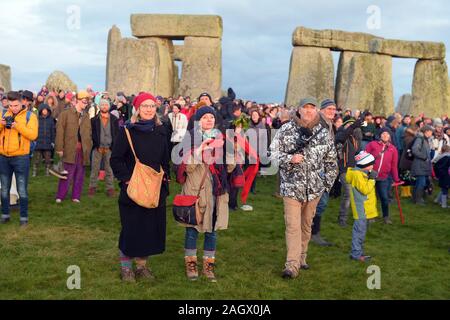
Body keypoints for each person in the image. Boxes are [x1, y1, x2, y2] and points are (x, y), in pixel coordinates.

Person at [270, 97, 338, 279]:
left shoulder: (324, 133)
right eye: (305, 108)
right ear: (298, 110)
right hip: (292, 187)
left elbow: (332, 162)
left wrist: (326, 186)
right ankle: (291, 265)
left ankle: (302, 256)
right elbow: (272, 154)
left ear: (316, 111)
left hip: (314, 189)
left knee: (306, 225)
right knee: (292, 226)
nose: (308, 111)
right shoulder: (286, 130)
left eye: (312, 108)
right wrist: (289, 159)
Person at [110, 92, 170, 282]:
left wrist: (165, 182)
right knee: (131, 228)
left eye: (152, 106)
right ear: (137, 109)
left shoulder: (161, 131)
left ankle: (142, 267)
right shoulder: (127, 131)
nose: (149, 109)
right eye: (145, 106)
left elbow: (164, 159)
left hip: (155, 187)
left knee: (149, 229)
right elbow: (116, 159)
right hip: (133, 188)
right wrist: (127, 180)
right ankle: (126, 268)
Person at [177, 106, 235, 282]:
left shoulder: (223, 140)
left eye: (211, 117)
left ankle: (208, 267)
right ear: (198, 121)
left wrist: (230, 152)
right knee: (192, 231)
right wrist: (200, 150)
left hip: (216, 194)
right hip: (194, 192)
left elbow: (231, 168)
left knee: (212, 232)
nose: (209, 120)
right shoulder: (189, 139)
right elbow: (186, 168)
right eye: (205, 117)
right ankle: (191, 265)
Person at [0, 91, 38, 227]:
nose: (13, 108)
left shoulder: (30, 116)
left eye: (16, 105)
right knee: (4, 189)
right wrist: (1, 124)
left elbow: (33, 135)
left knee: (22, 189)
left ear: (22, 102)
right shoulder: (4, 114)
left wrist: (18, 126)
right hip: (4, 157)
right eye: (10, 105)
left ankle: (23, 218)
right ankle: (5, 215)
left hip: (21, 157)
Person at [54, 90, 93, 203]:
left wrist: (88, 146)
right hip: (69, 148)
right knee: (66, 173)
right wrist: (59, 148)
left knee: (80, 174)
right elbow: (60, 132)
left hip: (83, 150)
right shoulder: (65, 114)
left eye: (87, 102)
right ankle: (60, 196)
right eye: (84, 101)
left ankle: (76, 196)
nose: (85, 104)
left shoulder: (86, 116)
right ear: (77, 100)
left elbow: (88, 133)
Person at [311, 99, 337, 247]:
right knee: (319, 202)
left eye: (334, 109)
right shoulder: (318, 123)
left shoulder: (329, 124)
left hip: (325, 168)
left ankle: (312, 232)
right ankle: (312, 233)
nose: (332, 111)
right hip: (317, 168)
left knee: (320, 203)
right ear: (321, 109)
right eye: (329, 109)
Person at [346, 151, 378, 262]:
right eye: (371, 163)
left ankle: (358, 252)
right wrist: (372, 179)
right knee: (359, 232)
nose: (373, 166)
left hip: (364, 209)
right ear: (365, 164)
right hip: (361, 209)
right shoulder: (357, 175)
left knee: (361, 231)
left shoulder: (361, 173)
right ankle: (356, 254)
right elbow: (365, 190)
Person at [365, 127, 402, 224]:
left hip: (383, 177)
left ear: (390, 136)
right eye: (383, 134)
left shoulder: (393, 149)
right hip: (370, 176)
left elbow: (394, 165)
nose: (385, 135)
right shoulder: (372, 144)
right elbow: (364, 158)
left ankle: (386, 217)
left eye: (387, 134)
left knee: (384, 198)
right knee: (370, 198)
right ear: (380, 135)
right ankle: (370, 216)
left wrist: (396, 178)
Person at [335, 115, 363, 227]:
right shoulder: (340, 136)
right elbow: (342, 136)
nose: (350, 127)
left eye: (352, 125)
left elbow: (358, 154)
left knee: (356, 194)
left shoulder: (355, 139)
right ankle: (342, 218)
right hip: (344, 169)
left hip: (354, 169)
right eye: (348, 125)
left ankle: (361, 216)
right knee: (347, 194)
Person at [88, 98, 119, 198]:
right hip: (97, 148)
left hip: (110, 148)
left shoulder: (114, 119)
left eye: (106, 105)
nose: (104, 107)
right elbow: (91, 134)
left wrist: (114, 147)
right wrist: (94, 144)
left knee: (109, 170)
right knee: (94, 169)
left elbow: (117, 134)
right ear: (100, 107)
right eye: (102, 105)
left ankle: (110, 189)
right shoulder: (94, 120)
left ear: (108, 107)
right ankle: (92, 188)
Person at [411, 125, 434, 205]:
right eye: (431, 131)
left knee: (420, 183)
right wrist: (424, 157)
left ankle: (415, 199)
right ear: (426, 131)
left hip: (423, 165)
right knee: (421, 183)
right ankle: (418, 200)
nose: (432, 133)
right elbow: (414, 150)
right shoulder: (420, 139)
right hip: (419, 165)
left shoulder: (425, 139)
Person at [32, 104, 55, 177]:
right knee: (37, 159)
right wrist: (34, 139)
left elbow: (53, 131)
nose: (45, 111)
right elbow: (34, 130)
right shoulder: (37, 119)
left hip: (48, 142)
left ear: (48, 111)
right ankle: (35, 171)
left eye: (46, 110)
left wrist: (53, 141)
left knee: (48, 159)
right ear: (41, 111)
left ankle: (47, 171)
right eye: (43, 110)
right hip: (38, 142)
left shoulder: (51, 120)